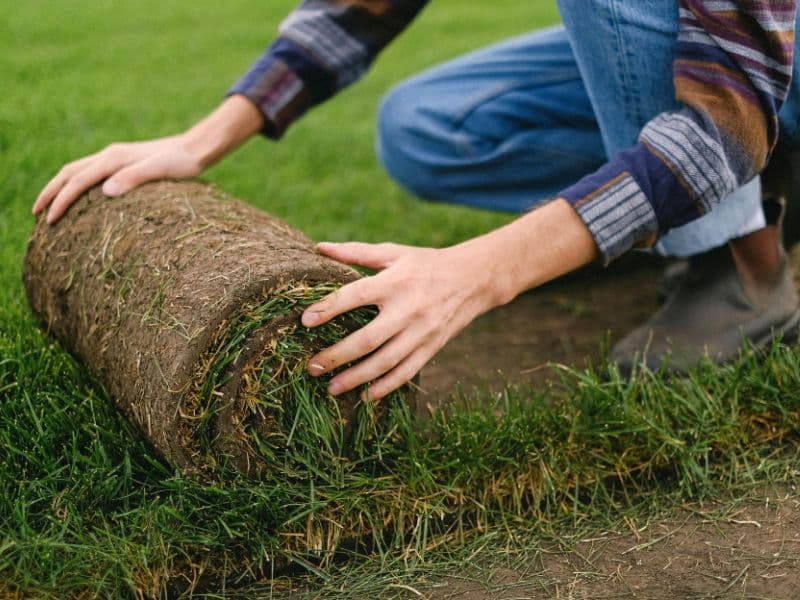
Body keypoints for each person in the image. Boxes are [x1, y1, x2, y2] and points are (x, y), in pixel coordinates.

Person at [33, 1, 800, 401]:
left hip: (766, 67)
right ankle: (682, 207)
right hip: (724, 65)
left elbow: (727, 120)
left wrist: (483, 271)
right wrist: (202, 140)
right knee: (424, 127)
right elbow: (359, 6)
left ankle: (742, 267)